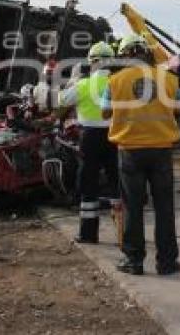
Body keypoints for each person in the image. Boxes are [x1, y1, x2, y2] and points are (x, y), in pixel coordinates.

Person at [101, 34, 180, 276]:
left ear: (126, 55)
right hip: (161, 150)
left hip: (130, 151)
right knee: (165, 208)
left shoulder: (115, 81)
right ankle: (167, 263)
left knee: (133, 208)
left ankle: (133, 261)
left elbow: (105, 113)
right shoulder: (169, 80)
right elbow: (178, 110)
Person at [59, 41, 118, 244]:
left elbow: (61, 101)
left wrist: (73, 81)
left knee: (88, 185)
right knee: (117, 184)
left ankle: (88, 234)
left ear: (91, 62)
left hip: (89, 138)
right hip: (115, 137)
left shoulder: (83, 85)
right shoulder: (117, 83)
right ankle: (125, 234)